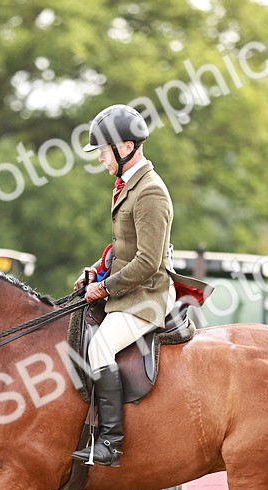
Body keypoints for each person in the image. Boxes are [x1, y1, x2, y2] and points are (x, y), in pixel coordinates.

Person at [72, 104, 176, 467]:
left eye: (103, 150)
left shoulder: (150, 193)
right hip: (128, 288)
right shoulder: (127, 186)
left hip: (147, 296)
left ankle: (111, 443)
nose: (100, 158)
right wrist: (97, 271)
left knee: (100, 347)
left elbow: (148, 262)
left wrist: (106, 287)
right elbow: (123, 247)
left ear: (126, 147)